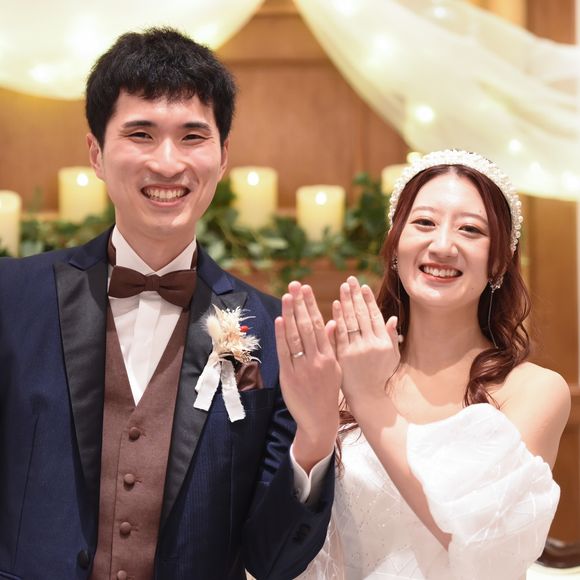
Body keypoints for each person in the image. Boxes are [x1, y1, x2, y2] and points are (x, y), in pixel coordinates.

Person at [0, 28, 338, 580]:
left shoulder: (271, 330)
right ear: (96, 154)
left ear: (223, 158)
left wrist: (316, 438)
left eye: (192, 137)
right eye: (141, 134)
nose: (167, 162)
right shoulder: (11, 299)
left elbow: (272, 560)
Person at [275, 150, 571, 579]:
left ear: (500, 261)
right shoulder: (342, 374)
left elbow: (486, 548)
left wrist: (368, 399)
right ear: (396, 244)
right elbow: (290, 539)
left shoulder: (534, 390)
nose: (443, 245)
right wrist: (313, 430)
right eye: (425, 223)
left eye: (471, 229)